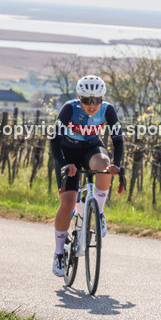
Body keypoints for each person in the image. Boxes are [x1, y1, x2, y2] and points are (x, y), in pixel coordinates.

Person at [49, 75, 123, 276]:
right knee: (68, 202)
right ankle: (58, 253)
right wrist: (65, 164)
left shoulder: (108, 110)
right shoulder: (69, 109)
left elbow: (118, 140)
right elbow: (54, 140)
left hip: (91, 147)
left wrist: (117, 163)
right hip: (68, 151)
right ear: (79, 99)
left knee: (104, 165)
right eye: (88, 100)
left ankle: (98, 214)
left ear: (102, 98)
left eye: (97, 100)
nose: (92, 105)